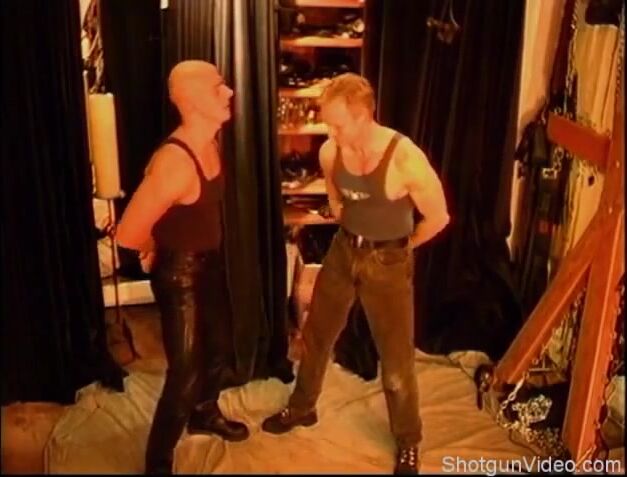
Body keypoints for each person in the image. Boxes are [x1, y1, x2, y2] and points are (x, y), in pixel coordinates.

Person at [261, 73, 450, 475]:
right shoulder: (331, 152)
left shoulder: (404, 157)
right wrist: (351, 225)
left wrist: (401, 249)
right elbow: (335, 197)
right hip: (343, 251)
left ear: (363, 116)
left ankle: (408, 440)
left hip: (388, 260)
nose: (330, 133)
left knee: (396, 361)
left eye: (337, 124)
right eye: (327, 124)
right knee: (316, 335)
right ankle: (302, 407)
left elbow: (438, 217)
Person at [116, 60, 249, 475]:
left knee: (220, 349)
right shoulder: (174, 162)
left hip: (211, 264)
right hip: (181, 275)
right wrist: (155, 247)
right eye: (218, 87)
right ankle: (158, 463)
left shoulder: (211, 142)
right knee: (185, 373)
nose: (229, 92)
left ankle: (204, 413)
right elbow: (128, 232)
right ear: (190, 101)